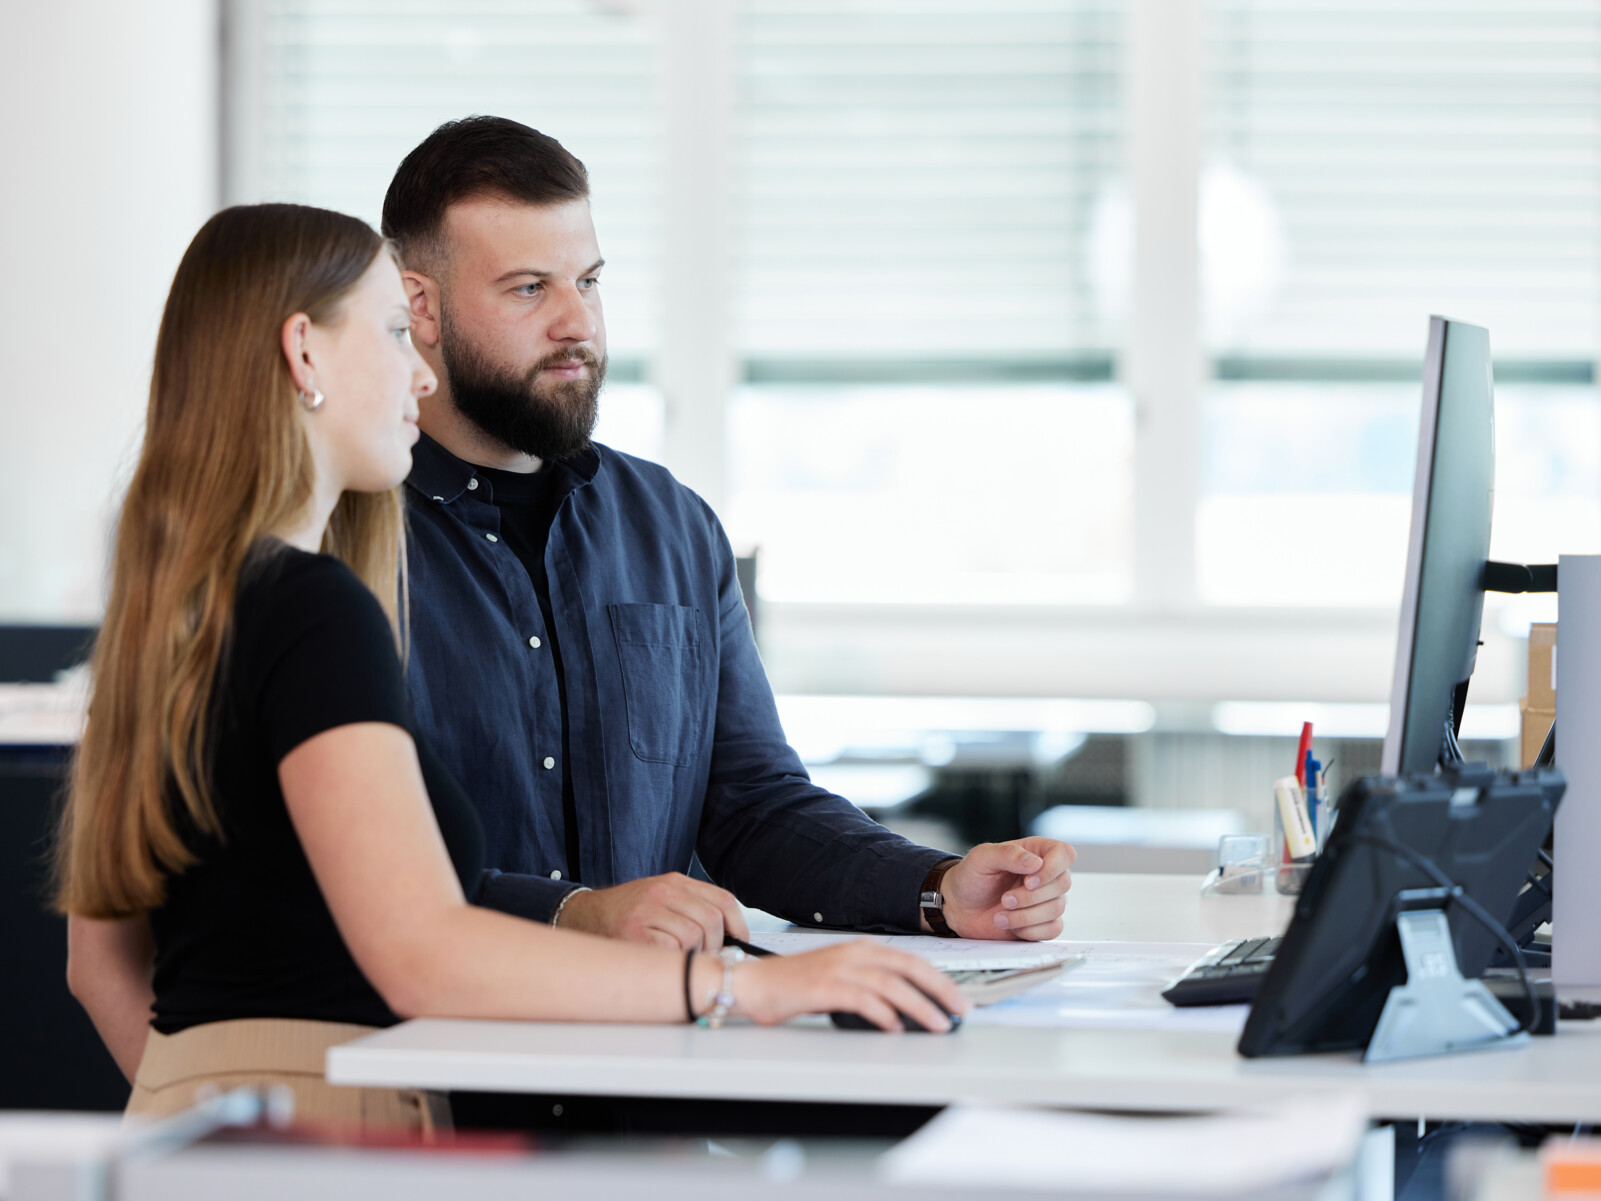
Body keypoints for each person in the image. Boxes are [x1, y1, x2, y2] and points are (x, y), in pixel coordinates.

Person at [56, 203, 968, 1129]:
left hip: (215, 1122)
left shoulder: (177, 603)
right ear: (305, 354)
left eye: (588, 282)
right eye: (391, 334)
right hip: (339, 1115)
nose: (418, 375)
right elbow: (423, 947)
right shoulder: (315, 605)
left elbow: (98, 964)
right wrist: (742, 989)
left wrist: (199, 1116)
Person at [383, 116, 1078, 950]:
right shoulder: (344, 539)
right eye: (529, 288)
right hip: (438, 1044)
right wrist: (569, 912)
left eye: (589, 281)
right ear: (419, 305)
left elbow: (752, 805)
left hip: (658, 1043)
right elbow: (347, 863)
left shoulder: (670, 524)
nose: (578, 324)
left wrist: (934, 891)